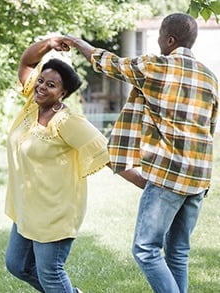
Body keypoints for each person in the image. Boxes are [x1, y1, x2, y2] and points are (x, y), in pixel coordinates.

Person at [62, 12, 219, 293]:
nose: (158, 39)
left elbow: (109, 64)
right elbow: (210, 128)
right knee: (178, 253)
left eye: (160, 34)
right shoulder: (210, 78)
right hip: (199, 179)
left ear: (170, 39)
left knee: (145, 249)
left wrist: (76, 42)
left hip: (168, 176)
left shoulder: (156, 66)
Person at [4, 36, 112, 293]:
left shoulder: (67, 121)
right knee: (17, 265)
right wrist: (50, 43)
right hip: (28, 207)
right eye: (41, 80)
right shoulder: (33, 104)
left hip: (55, 212)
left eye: (50, 85)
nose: (41, 86)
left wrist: (147, 181)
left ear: (63, 93)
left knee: (50, 273)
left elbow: (104, 152)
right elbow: (27, 61)